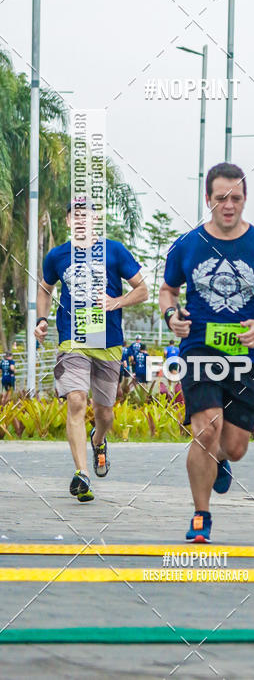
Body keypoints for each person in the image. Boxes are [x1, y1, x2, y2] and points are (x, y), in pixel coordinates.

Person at [159, 162, 254, 543]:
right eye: (221, 198)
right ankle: (201, 515)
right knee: (206, 430)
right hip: (199, 350)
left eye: (236, 198)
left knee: (233, 447)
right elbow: (167, 290)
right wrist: (172, 315)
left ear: (245, 199)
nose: (229, 205)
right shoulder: (187, 246)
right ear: (208, 199)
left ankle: (221, 461)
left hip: (247, 357)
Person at [35, 201, 148, 503]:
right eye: (77, 216)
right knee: (75, 400)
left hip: (108, 341)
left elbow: (142, 290)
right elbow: (45, 288)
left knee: (105, 413)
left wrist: (116, 302)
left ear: (97, 221)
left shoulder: (115, 251)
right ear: (69, 222)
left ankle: (99, 440)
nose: (83, 221)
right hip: (72, 339)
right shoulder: (57, 256)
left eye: (89, 216)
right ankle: (82, 474)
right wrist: (42, 320)